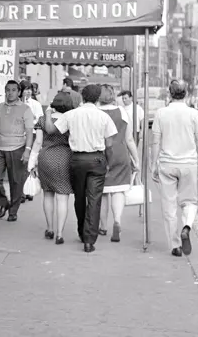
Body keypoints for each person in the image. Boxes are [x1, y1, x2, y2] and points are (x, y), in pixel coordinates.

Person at [44, 83, 117, 253]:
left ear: (82, 97)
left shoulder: (71, 115)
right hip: (97, 159)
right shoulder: (104, 117)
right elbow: (110, 144)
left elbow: (50, 129)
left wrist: (48, 113)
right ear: (98, 98)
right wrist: (109, 163)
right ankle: (89, 239)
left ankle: (81, 230)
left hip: (77, 159)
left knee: (79, 197)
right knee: (94, 198)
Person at [151, 79, 198, 257]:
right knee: (189, 201)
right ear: (186, 93)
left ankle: (175, 245)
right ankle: (187, 226)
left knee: (169, 206)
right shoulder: (193, 114)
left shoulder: (161, 113)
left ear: (169, 93)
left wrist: (154, 164)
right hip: (188, 163)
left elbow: (156, 141)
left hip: (167, 163)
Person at [28, 92, 74, 245]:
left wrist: (32, 163)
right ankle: (60, 234)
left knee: (48, 195)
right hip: (65, 159)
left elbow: (38, 143)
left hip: (46, 159)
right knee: (62, 197)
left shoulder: (42, 120)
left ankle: (49, 228)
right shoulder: (70, 120)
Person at [97, 85, 140, 242]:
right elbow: (129, 138)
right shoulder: (122, 111)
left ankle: (103, 226)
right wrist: (135, 159)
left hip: (101, 154)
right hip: (120, 154)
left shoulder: (96, 112)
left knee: (102, 192)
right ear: (113, 96)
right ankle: (117, 221)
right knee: (118, 191)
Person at [0, 80, 36, 222]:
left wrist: (27, 151)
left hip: (17, 148)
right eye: (8, 90)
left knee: (16, 182)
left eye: (14, 90)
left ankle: (13, 211)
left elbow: (29, 131)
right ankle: (3, 202)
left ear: (19, 92)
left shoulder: (25, 109)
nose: (10, 93)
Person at [20, 79, 43, 202]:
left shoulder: (36, 104)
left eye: (30, 89)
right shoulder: (17, 103)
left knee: (31, 163)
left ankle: (29, 189)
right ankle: (22, 191)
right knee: (22, 163)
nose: (28, 92)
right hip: (19, 135)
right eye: (25, 89)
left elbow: (39, 120)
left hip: (33, 135)